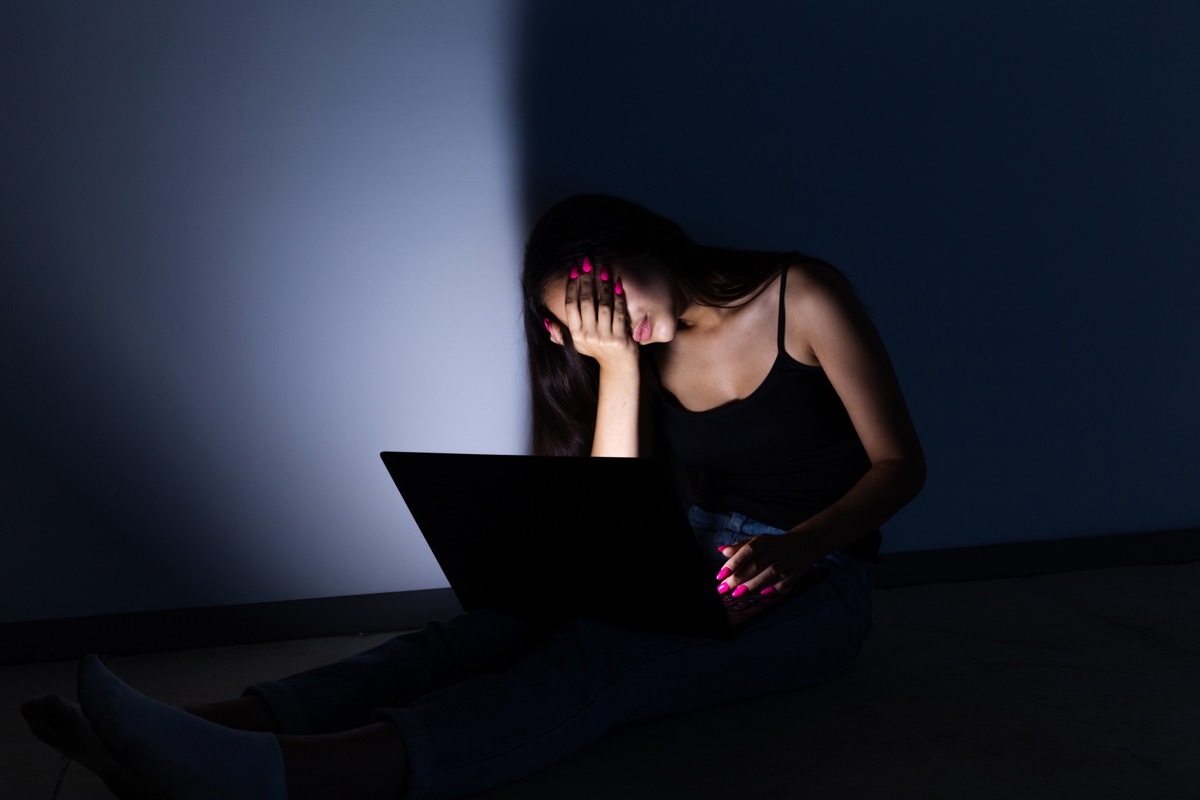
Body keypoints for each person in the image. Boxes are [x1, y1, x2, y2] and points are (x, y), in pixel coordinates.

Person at [21, 193, 925, 799]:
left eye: (606, 298)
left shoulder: (799, 295)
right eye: (580, 322)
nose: (607, 326)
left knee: (595, 664)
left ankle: (282, 774)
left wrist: (800, 547)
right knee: (485, 630)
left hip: (820, 579)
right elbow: (610, 507)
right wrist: (614, 366)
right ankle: (194, 728)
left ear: (639, 242)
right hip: (682, 558)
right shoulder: (629, 353)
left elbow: (900, 466)